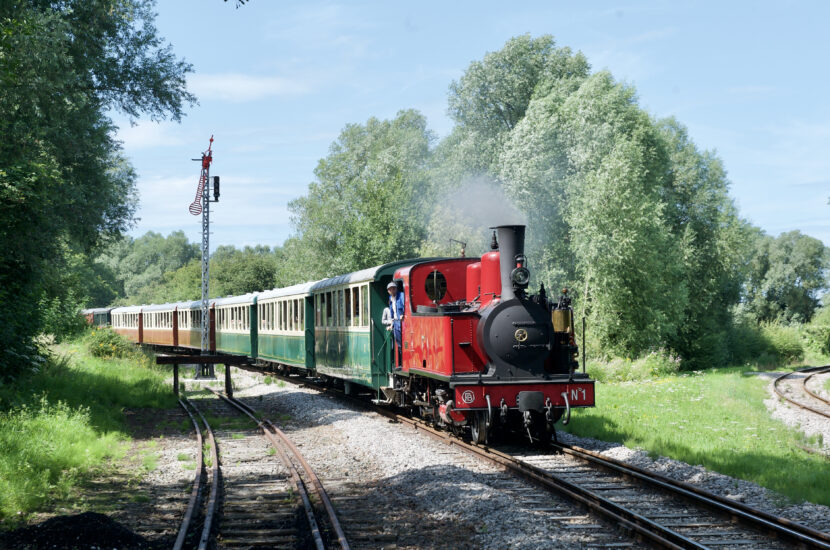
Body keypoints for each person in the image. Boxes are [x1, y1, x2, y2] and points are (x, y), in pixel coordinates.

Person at [387, 281, 404, 367]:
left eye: (394, 288)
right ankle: (401, 363)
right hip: (396, 322)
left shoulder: (401, 296)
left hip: (403, 322)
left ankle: (403, 362)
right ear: (388, 291)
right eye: (390, 289)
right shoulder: (390, 298)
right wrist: (391, 324)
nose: (392, 290)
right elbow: (392, 312)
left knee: (404, 342)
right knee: (399, 342)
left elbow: (406, 306)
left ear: (396, 289)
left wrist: (403, 314)